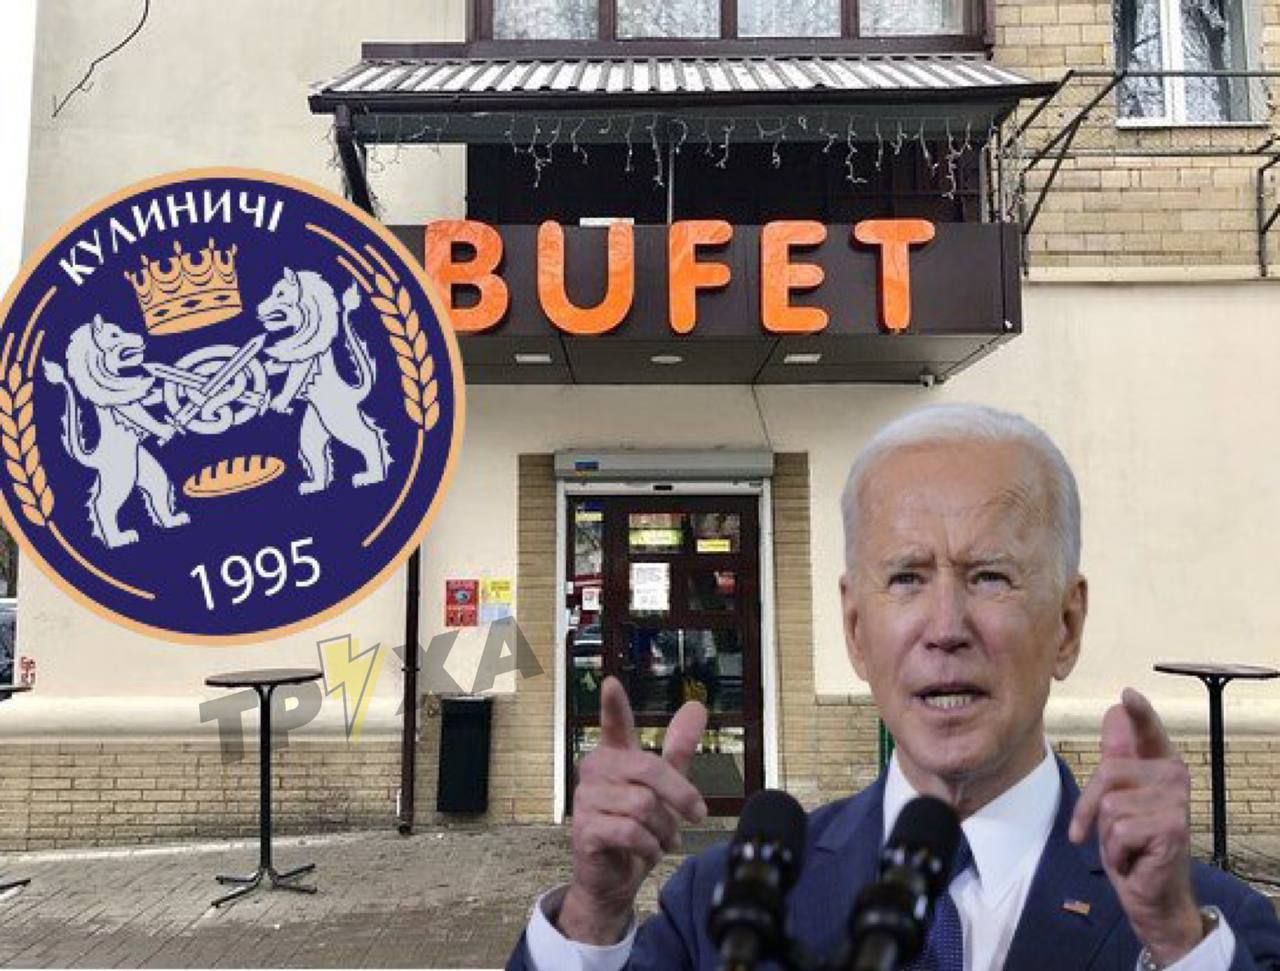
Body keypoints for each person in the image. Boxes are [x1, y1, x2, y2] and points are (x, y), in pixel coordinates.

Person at [507, 403, 1280, 970]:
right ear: (855, 629)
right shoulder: (720, 905)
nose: (945, 626)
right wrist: (594, 911)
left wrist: (1176, 942)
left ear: (1068, 625)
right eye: (907, 577)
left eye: (989, 576)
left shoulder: (1210, 931)